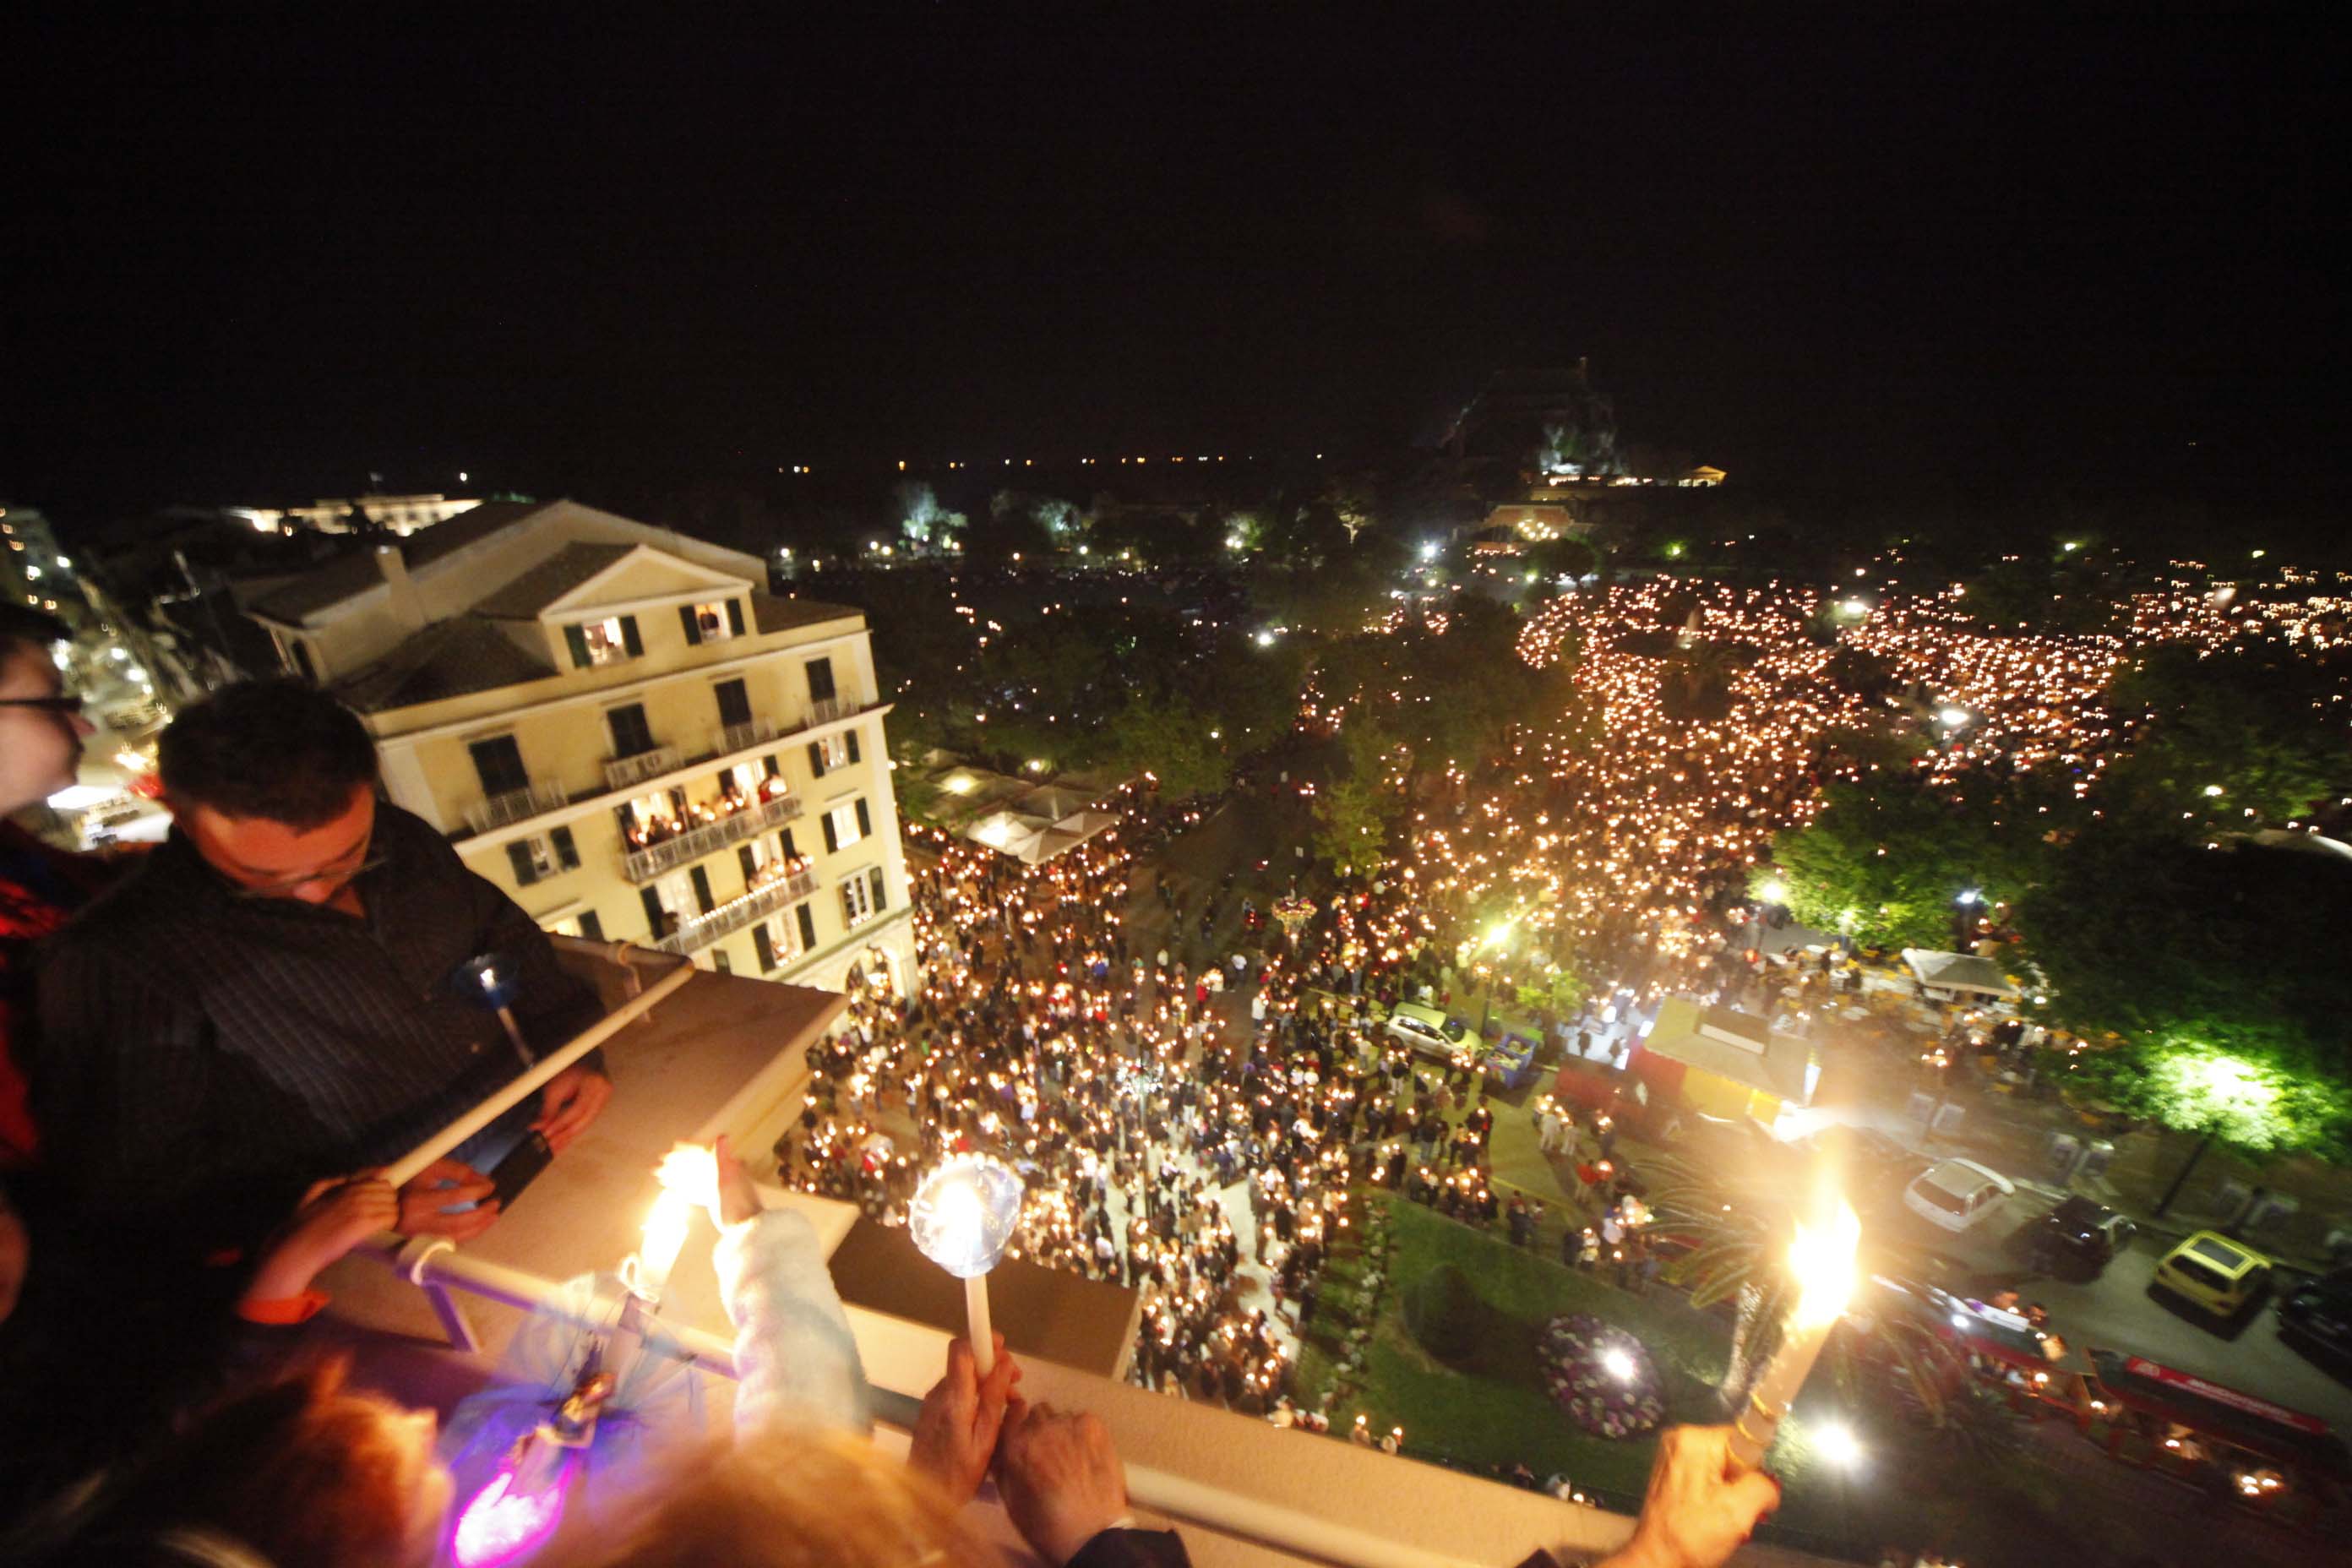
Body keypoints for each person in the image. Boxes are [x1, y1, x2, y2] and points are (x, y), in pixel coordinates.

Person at [33, 680, 609, 1272]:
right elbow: (133, 1190)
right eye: (264, 874)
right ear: (177, 812)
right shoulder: (119, 961)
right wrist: (350, 1206)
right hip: (379, 1257)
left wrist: (572, 1048)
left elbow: (501, 934)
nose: (313, 892)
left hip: (544, 1148)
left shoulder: (401, 840)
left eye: (345, 857)